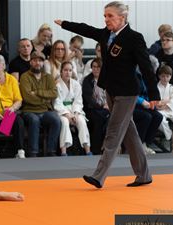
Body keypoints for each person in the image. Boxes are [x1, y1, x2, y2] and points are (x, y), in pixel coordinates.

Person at [55, 0, 160, 188]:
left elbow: (146, 67)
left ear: (122, 17)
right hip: (111, 90)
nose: (106, 19)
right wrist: (65, 24)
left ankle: (99, 176)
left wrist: (153, 94)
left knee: (113, 131)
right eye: (105, 16)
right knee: (129, 133)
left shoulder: (134, 38)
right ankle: (144, 175)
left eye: (110, 16)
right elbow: (86, 29)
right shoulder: (106, 34)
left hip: (127, 92)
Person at [19, 51, 61, 157]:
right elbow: (27, 97)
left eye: (40, 61)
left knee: (56, 120)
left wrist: (37, 92)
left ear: (43, 63)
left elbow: (54, 93)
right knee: (34, 120)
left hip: (45, 110)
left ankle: (51, 151)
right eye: (35, 60)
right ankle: (33, 152)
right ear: (30, 62)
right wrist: (45, 99)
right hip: (29, 110)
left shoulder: (48, 77)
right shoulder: (25, 76)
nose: (37, 63)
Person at [53, 62, 92, 156]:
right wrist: (67, 114)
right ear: (61, 71)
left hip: (75, 111)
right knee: (65, 122)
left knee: (82, 121)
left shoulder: (76, 84)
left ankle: (87, 150)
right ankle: (64, 151)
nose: (68, 72)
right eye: (65, 70)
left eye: (70, 70)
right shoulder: (57, 85)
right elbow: (57, 102)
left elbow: (78, 101)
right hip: (62, 111)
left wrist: (75, 114)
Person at [82, 58, 109, 155]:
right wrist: (102, 105)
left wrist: (108, 105)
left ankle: (108, 146)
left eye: (98, 67)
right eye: (94, 67)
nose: (96, 69)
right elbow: (89, 99)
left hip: (106, 108)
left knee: (111, 118)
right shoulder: (87, 80)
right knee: (99, 119)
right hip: (91, 109)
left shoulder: (107, 79)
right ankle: (97, 149)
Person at [133, 72, 163, 155]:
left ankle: (145, 143)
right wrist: (142, 101)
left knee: (158, 116)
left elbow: (150, 93)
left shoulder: (147, 76)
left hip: (144, 105)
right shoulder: (132, 74)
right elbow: (130, 93)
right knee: (146, 117)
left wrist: (154, 102)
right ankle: (138, 144)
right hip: (131, 105)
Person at [155, 65, 173, 152]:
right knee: (161, 119)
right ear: (159, 76)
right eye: (163, 76)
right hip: (160, 111)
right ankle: (170, 136)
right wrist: (166, 101)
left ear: (170, 77)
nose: (165, 78)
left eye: (167, 76)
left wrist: (164, 103)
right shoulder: (155, 88)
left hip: (171, 110)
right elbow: (157, 102)